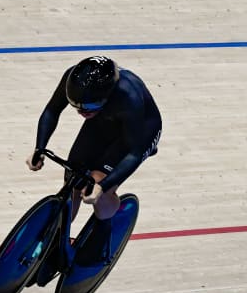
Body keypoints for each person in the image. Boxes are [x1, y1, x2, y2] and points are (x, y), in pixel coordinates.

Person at [26, 55, 162, 235]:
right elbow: (52, 110)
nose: (82, 111)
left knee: (96, 184)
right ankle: (54, 238)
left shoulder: (129, 95)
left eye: (89, 106)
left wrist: (103, 186)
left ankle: (103, 233)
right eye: (77, 106)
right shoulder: (73, 80)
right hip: (103, 120)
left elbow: (133, 154)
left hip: (140, 131)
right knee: (73, 179)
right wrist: (39, 147)